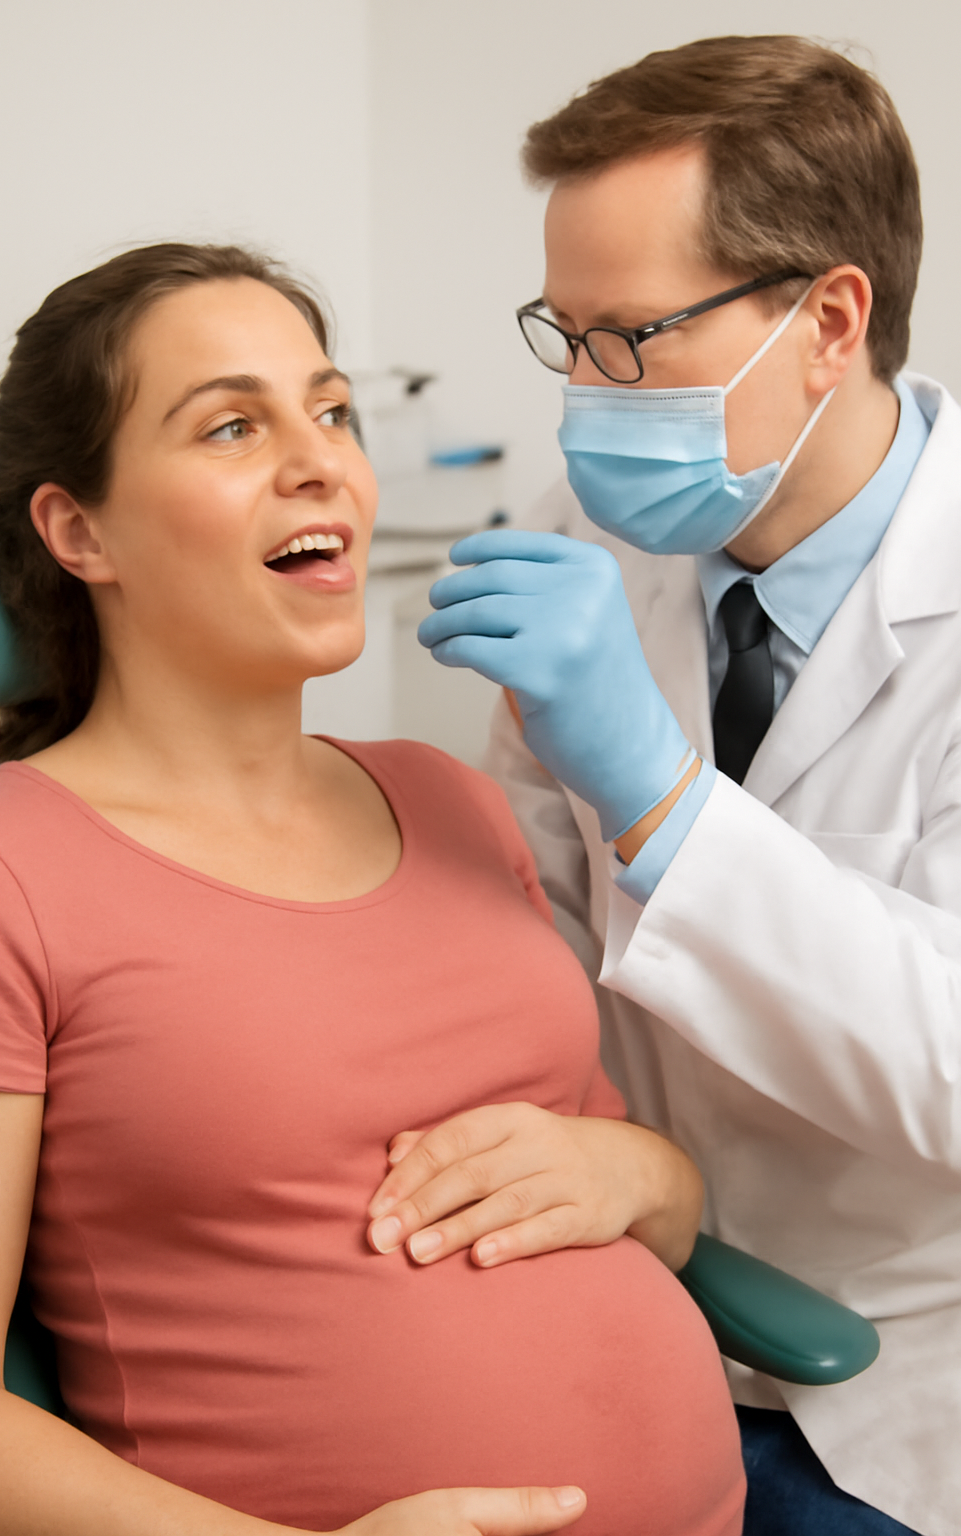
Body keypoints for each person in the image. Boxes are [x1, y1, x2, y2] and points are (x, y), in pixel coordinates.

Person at [0, 242, 746, 1536]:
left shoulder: (450, 795)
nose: (321, 461)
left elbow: (647, 1184)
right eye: (233, 426)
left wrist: (640, 1175)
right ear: (78, 529)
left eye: (330, 412)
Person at [418, 34, 960, 1536]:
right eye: (565, 333)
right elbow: (525, 932)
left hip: (911, 1372)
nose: (587, 398)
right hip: (634, 1298)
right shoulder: (590, 543)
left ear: (829, 319)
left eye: (634, 341)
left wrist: (662, 803)